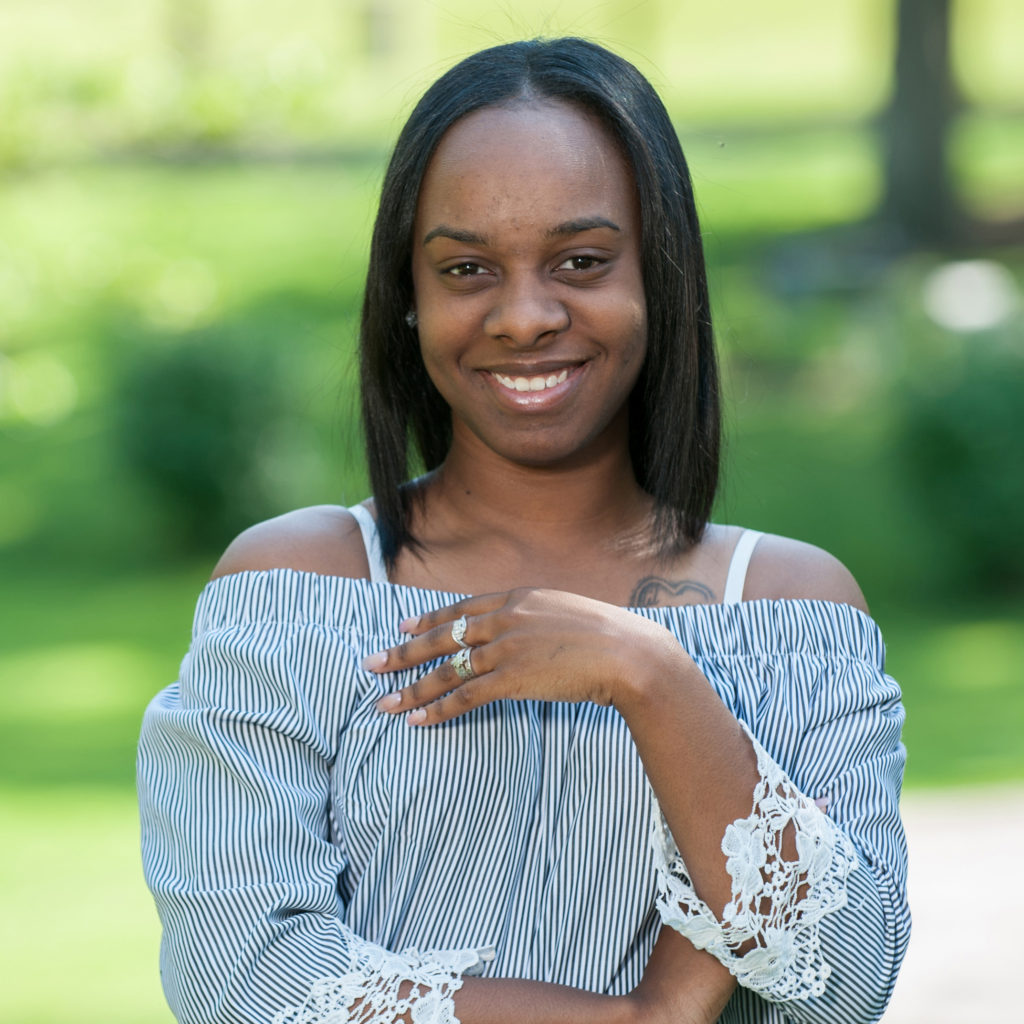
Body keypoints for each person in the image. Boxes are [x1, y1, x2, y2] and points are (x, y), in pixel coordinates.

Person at [138, 37, 909, 1024]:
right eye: (465, 268)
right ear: (408, 301)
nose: (522, 315)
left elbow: (847, 984)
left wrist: (650, 675)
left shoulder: (795, 611)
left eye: (580, 260)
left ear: (660, 276)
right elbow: (242, 983)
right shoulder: (294, 592)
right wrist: (639, 1019)